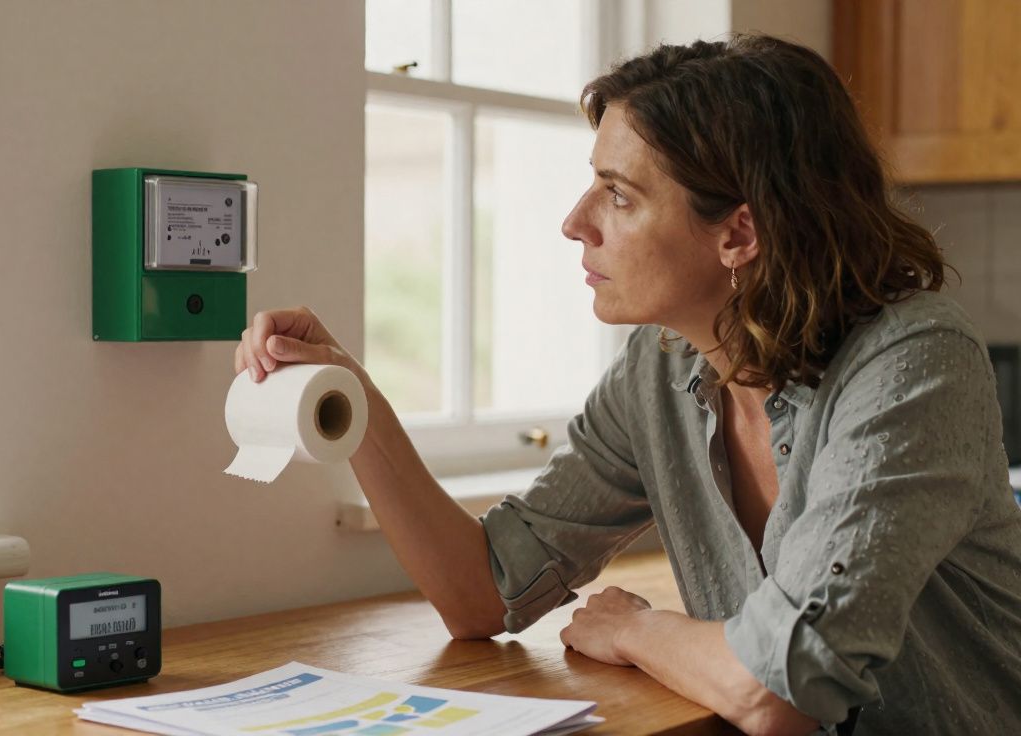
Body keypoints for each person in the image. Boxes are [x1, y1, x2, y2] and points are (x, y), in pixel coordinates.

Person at [234, 34, 1021, 735]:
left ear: (737, 233)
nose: (576, 221)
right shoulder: (663, 366)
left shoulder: (913, 361)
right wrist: (356, 403)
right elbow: (482, 592)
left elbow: (781, 690)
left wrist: (640, 631)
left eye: (620, 193)